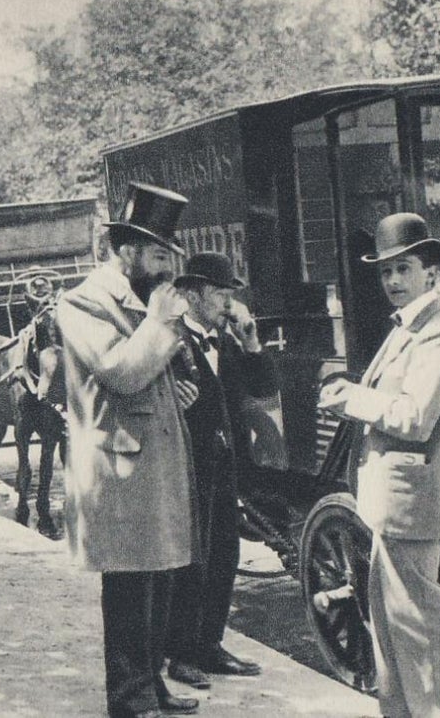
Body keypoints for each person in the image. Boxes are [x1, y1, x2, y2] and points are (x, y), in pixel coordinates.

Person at [57, 182, 200, 718]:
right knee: (129, 589)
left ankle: (152, 685)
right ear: (128, 251)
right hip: (117, 467)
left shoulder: (143, 300)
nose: (167, 267)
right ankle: (128, 699)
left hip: (152, 461)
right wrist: (160, 322)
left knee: (159, 579)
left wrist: (178, 390)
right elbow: (122, 372)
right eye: (159, 254)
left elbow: (156, 372)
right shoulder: (83, 302)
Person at [319, 212, 440, 718]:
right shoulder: (410, 327)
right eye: (385, 272)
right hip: (395, 503)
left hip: (413, 504)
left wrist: (352, 399)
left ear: (429, 271)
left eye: (403, 269)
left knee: (419, 633)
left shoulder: (436, 334)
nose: (393, 282)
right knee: (391, 629)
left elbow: (415, 417)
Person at [165, 252, 276, 690]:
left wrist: (251, 343)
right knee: (193, 559)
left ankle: (210, 644)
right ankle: (181, 655)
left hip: (225, 466)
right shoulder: (169, 341)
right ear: (191, 294)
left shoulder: (225, 340)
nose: (227, 303)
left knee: (225, 554)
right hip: (187, 465)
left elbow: (265, 389)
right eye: (219, 293)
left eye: (230, 294)